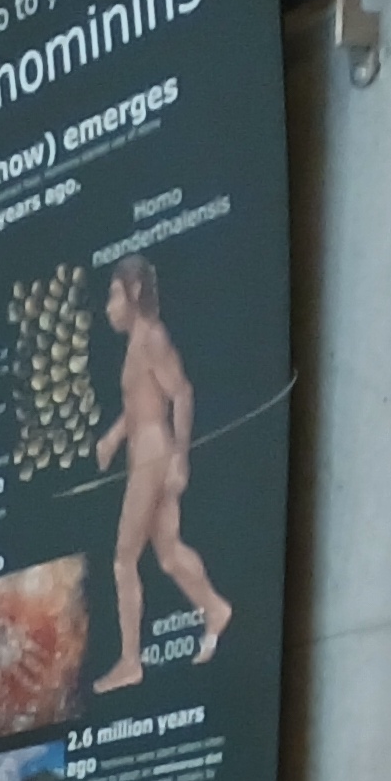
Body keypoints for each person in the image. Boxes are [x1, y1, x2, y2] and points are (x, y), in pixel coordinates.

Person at [95, 256, 231, 689]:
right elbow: (141, 404)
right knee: (168, 553)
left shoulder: (152, 337)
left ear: (134, 292)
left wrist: (180, 458)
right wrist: (113, 438)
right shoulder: (136, 342)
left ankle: (130, 661)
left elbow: (182, 393)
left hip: (154, 454)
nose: (109, 306)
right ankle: (215, 608)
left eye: (114, 294)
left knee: (123, 558)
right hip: (143, 449)